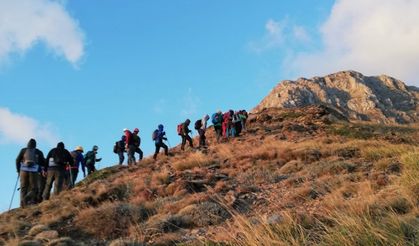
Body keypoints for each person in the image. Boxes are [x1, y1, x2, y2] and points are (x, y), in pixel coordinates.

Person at [15, 139, 46, 207]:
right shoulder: (38, 151)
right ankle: (27, 199)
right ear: (35, 145)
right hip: (33, 171)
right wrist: (43, 169)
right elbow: (43, 162)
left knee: (23, 188)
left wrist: (18, 170)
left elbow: (17, 160)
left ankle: (22, 204)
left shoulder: (23, 150)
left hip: (23, 171)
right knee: (34, 188)